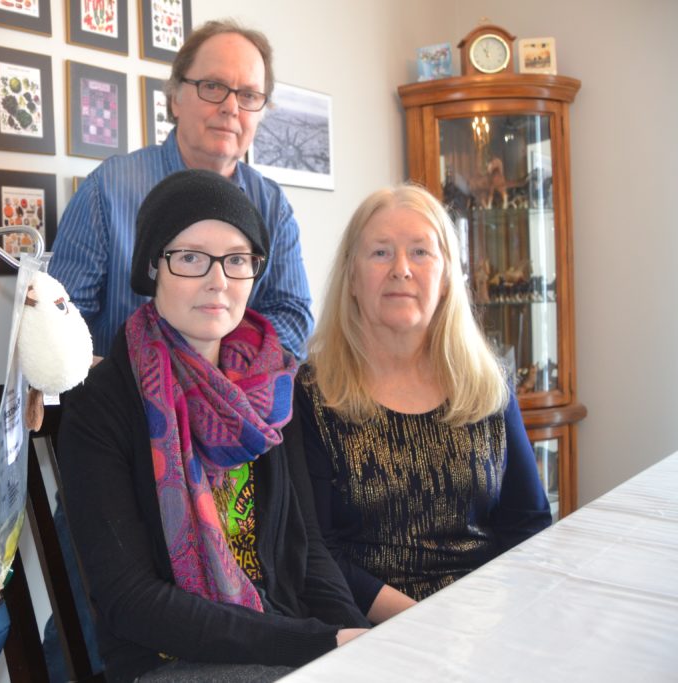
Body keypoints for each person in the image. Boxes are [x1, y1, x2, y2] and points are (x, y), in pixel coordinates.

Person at [56, 170, 369, 683]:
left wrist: (359, 641)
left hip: (281, 642)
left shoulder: (272, 388)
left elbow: (307, 550)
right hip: (166, 662)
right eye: (191, 258)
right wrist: (318, 642)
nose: (217, 280)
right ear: (153, 266)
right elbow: (132, 602)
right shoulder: (103, 403)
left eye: (237, 259)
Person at [291, 183, 552, 620]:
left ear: (447, 277)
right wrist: (423, 623)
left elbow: (528, 525)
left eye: (420, 252)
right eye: (380, 253)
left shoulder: (488, 385)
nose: (401, 269)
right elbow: (317, 550)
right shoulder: (314, 394)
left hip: (487, 617)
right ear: (352, 277)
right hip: (369, 628)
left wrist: (491, 617)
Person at [49, 18, 312, 362]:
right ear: (175, 98)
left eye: (248, 95)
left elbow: (294, 317)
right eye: (213, 86)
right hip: (123, 407)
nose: (231, 107)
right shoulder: (108, 190)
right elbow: (59, 319)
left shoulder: (272, 205)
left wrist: (214, 367)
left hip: (236, 402)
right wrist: (157, 370)